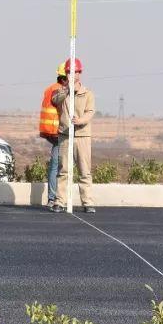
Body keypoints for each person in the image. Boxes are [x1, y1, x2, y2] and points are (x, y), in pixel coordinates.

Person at [51, 57, 95, 213]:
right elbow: (55, 100)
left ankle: (87, 202)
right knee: (64, 170)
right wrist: (67, 89)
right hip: (65, 135)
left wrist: (80, 120)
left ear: (80, 73)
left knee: (84, 171)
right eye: (69, 72)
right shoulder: (60, 91)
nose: (73, 74)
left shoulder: (87, 93)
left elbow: (90, 112)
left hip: (82, 136)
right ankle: (60, 201)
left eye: (75, 72)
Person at [38, 64, 67, 209]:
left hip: (49, 130)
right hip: (57, 131)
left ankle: (52, 198)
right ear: (65, 78)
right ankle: (54, 198)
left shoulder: (50, 87)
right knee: (59, 165)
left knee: (56, 164)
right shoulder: (59, 90)